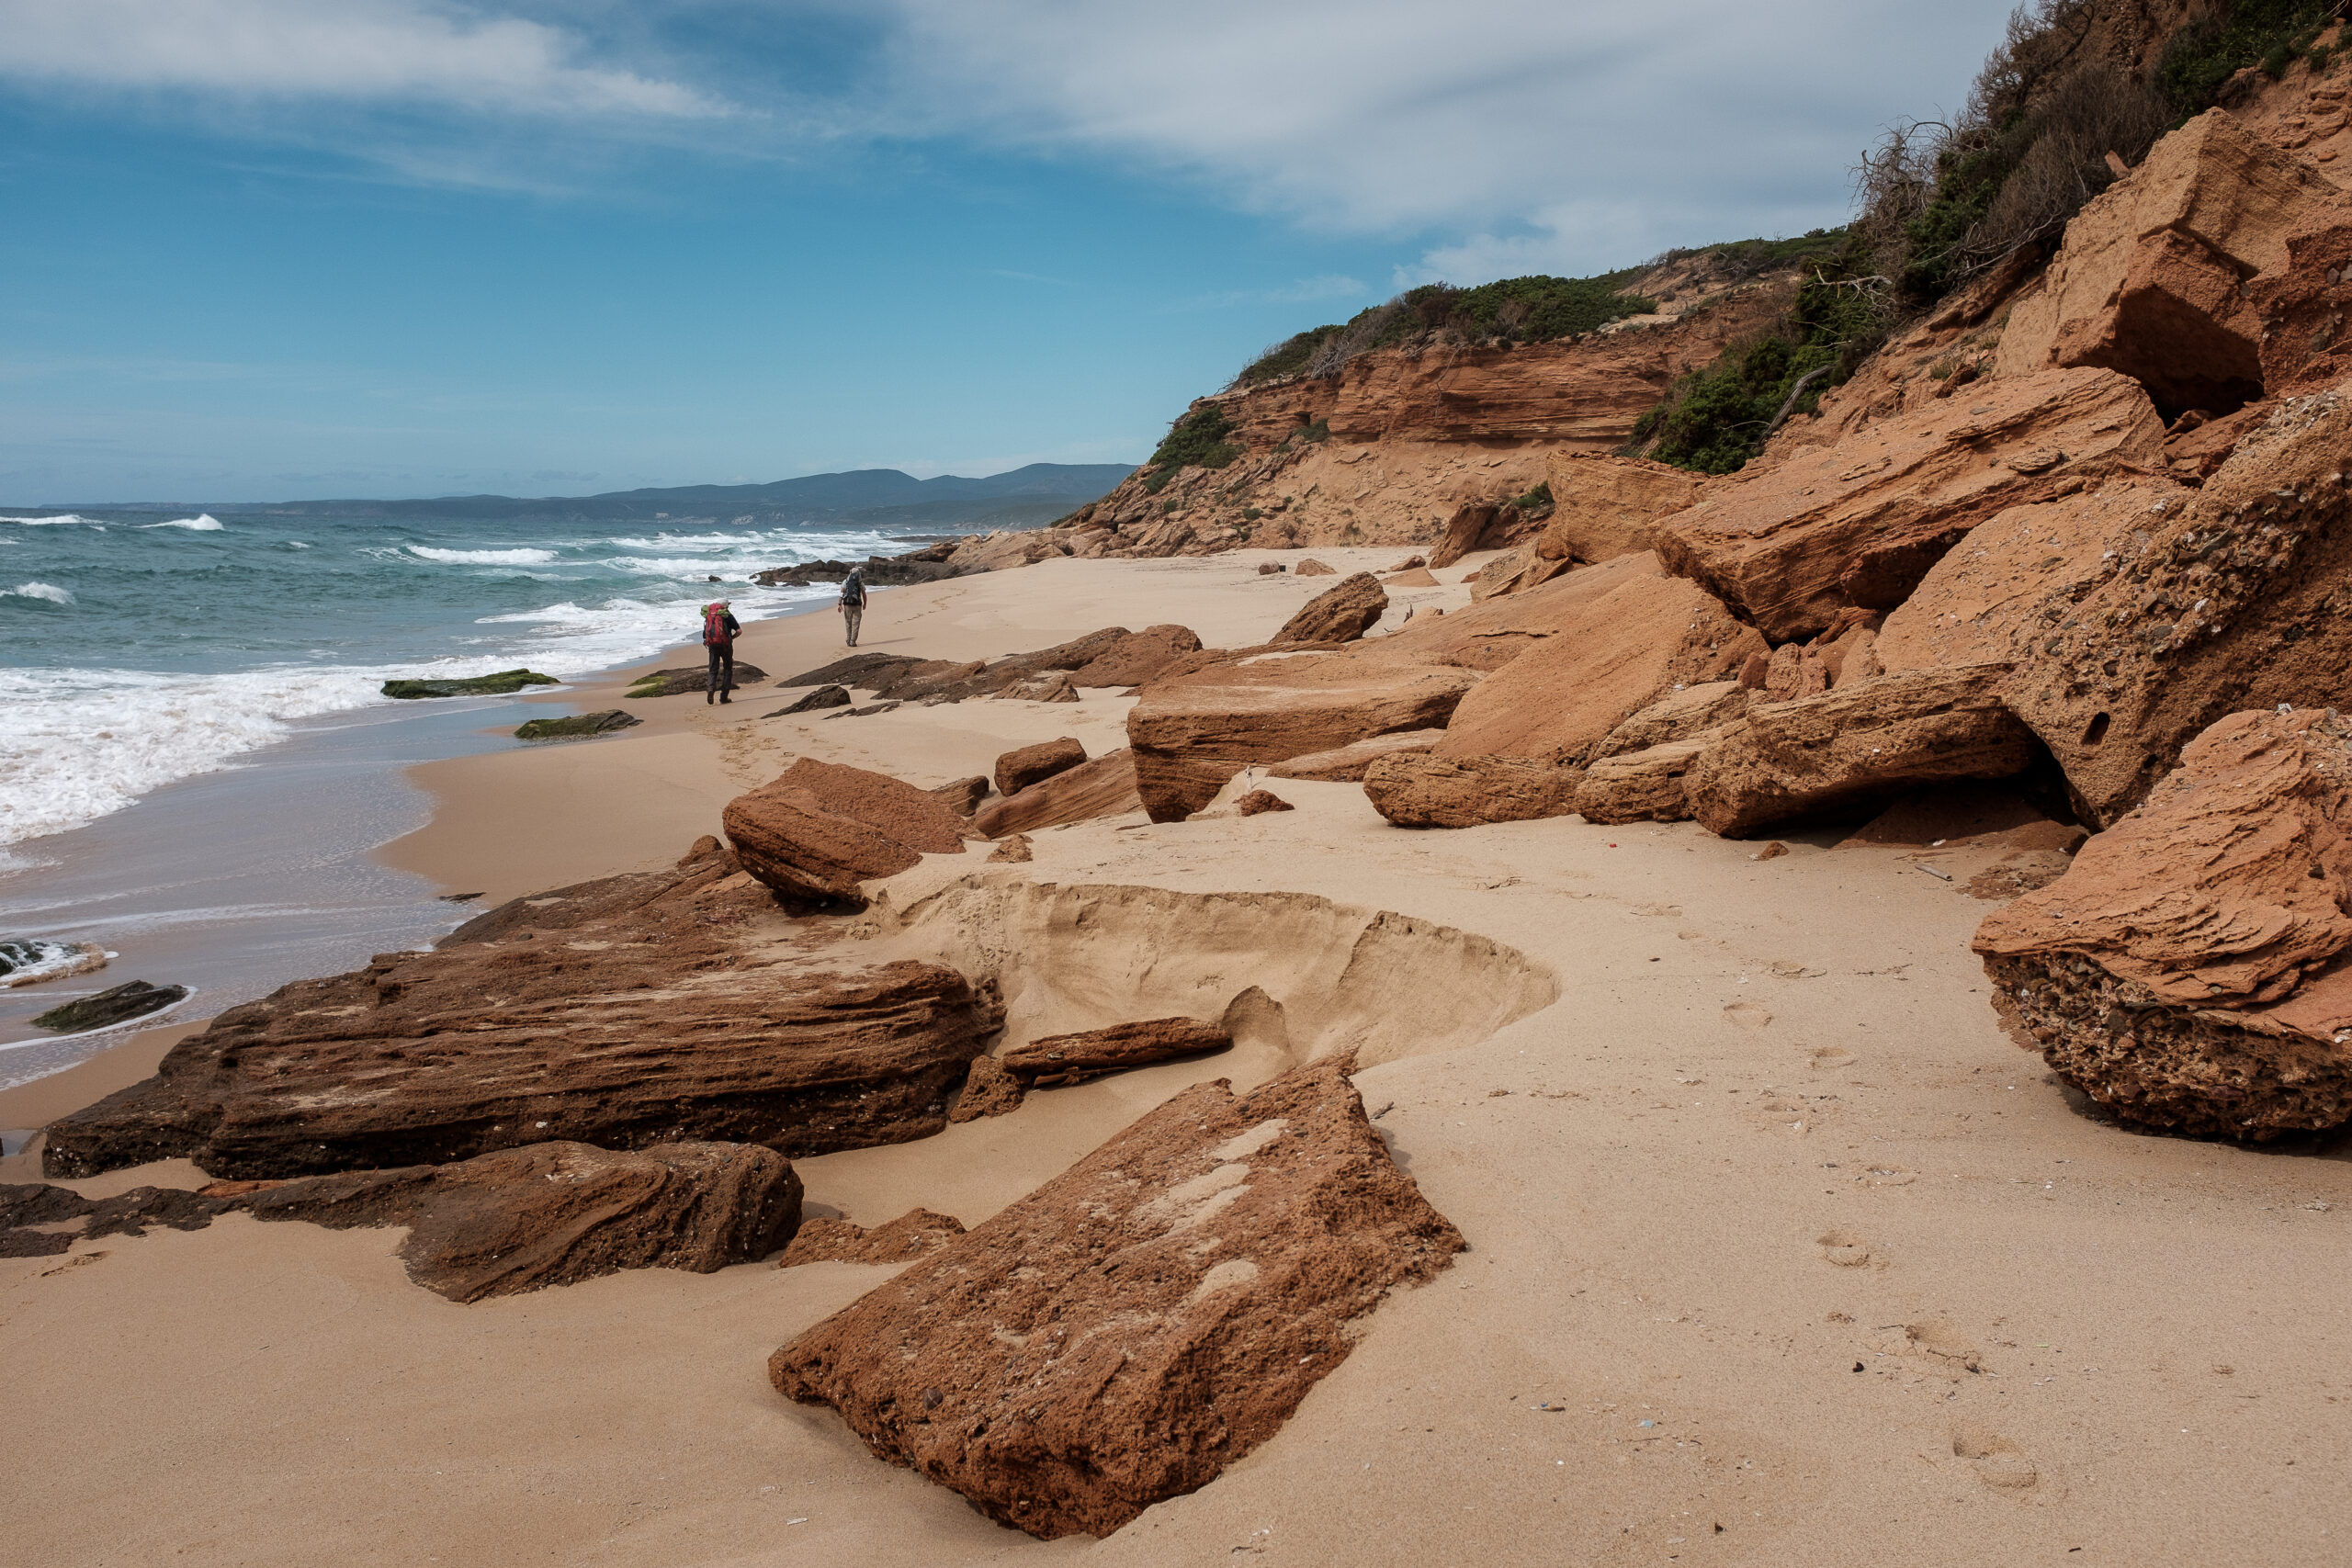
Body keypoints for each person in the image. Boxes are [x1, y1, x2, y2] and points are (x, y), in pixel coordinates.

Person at [701, 599, 740, 704]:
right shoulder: (727, 615)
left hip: (712, 645)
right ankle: (724, 697)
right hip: (726, 645)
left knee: (713, 669)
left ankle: (710, 689)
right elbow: (739, 631)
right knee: (727, 669)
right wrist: (731, 637)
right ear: (726, 606)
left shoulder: (709, 615)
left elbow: (705, 634)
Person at [839, 568, 866, 648]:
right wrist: (865, 604)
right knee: (856, 624)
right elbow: (864, 594)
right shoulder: (860, 583)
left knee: (848, 622)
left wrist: (839, 603)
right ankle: (852, 641)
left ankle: (848, 639)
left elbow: (841, 592)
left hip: (847, 604)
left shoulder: (846, 581)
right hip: (857, 605)